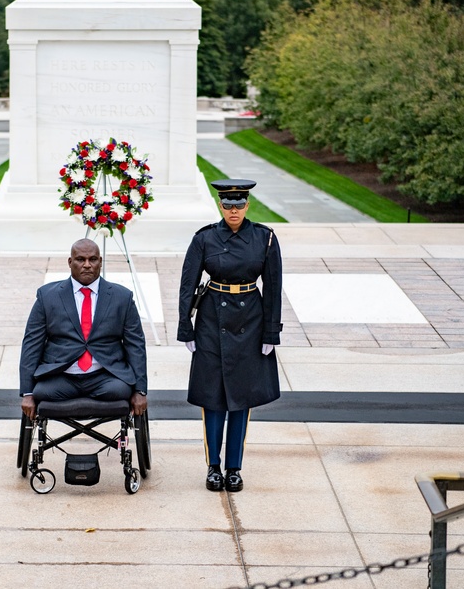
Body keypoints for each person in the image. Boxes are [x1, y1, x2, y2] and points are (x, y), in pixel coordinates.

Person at [177, 179, 283, 493]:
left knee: (241, 398)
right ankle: (213, 467)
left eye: (238, 205)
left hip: (250, 319)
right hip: (212, 319)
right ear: (220, 205)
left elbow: (274, 289)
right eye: (227, 205)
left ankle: (234, 467)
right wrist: (186, 327)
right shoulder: (205, 238)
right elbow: (188, 285)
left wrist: (270, 332)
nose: (233, 210)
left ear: (247, 205)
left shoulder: (264, 238)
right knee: (213, 397)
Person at [19, 238, 148, 420]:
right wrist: (27, 392)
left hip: (106, 379)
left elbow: (136, 345)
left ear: (100, 262)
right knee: (41, 392)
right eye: (80, 259)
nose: (87, 265)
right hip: (61, 377)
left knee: (122, 390)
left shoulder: (122, 297)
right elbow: (31, 344)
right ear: (70, 262)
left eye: (93, 259)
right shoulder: (47, 296)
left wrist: (140, 390)